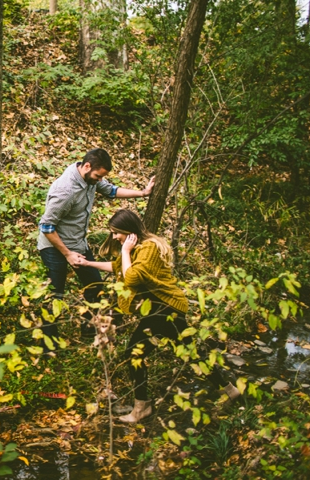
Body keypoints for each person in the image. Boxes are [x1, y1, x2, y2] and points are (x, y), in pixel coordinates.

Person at [78, 209, 240, 423]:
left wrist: (125, 251)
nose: (115, 237)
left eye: (117, 232)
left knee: (134, 354)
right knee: (188, 353)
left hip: (163, 309)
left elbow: (131, 278)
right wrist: (88, 264)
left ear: (129, 231)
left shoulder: (149, 248)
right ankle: (229, 390)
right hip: (162, 309)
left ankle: (141, 408)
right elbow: (118, 268)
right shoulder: (137, 248)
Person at [37, 148, 154, 340]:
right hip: (54, 246)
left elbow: (111, 191)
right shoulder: (65, 190)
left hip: (78, 242)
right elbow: (47, 227)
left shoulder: (90, 178)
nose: (100, 180)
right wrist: (67, 254)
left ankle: (89, 330)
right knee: (55, 294)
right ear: (87, 166)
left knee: (95, 287)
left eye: (102, 177)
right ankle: (47, 343)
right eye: (98, 176)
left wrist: (143, 193)